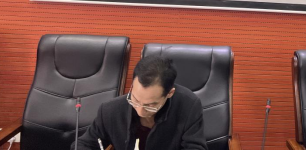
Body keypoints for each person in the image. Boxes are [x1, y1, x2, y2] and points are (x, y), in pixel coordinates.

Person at [72, 55, 207, 150]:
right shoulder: (110, 110)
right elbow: (83, 145)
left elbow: (195, 147)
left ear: (169, 93)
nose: (140, 111)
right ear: (132, 86)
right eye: (135, 100)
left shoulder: (188, 106)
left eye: (151, 105)